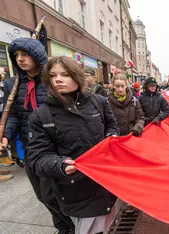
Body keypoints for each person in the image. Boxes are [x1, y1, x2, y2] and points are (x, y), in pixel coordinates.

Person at [26, 56, 119, 234]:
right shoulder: (41, 116)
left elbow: (111, 125)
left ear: (77, 76)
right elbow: (37, 158)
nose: (58, 79)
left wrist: (112, 137)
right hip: (75, 190)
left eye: (65, 74)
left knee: (105, 225)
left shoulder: (98, 102)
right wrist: (59, 165)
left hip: (106, 183)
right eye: (53, 75)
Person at [0, 38, 74, 233]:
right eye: (16, 55)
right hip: (30, 148)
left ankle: (73, 227)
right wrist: (6, 135)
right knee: (43, 196)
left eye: (25, 54)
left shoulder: (52, 79)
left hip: (56, 147)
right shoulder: (13, 84)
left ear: (37, 55)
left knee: (59, 194)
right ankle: (63, 227)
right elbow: (15, 115)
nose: (20, 59)